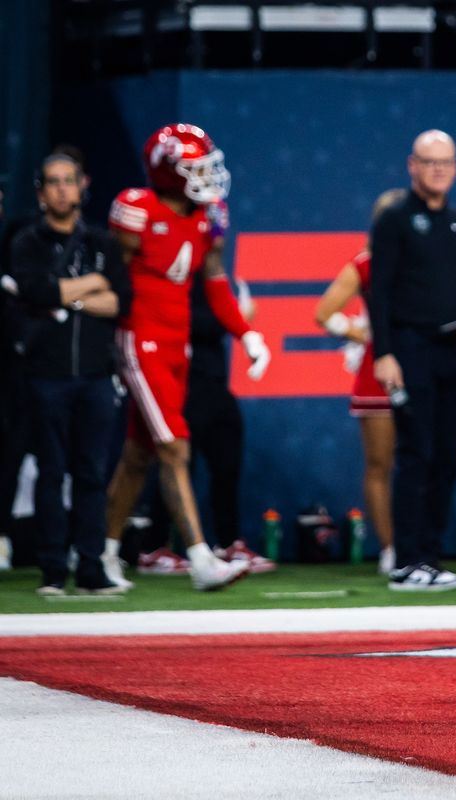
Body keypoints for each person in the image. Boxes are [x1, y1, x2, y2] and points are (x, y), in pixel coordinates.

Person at [104, 123, 271, 592]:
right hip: (141, 340)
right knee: (176, 448)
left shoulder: (208, 216)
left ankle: (103, 553)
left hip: (179, 344)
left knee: (138, 455)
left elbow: (215, 283)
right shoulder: (137, 209)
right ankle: (201, 559)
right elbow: (112, 275)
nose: (205, 177)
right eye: (194, 168)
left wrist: (247, 333)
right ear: (167, 171)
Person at [9, 153, 130, 594]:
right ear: (41, 192)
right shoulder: (27, 242)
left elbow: (121, 302)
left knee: (92, 473)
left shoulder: (103, 242)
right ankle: (53, 570)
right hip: (46, 375)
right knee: (51, 472)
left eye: (69, 181)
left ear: (83, 185)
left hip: (96, 375)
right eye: (54, 183)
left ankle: (92, 567)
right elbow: (36, 290)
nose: (62, 190)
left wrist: (67, 297)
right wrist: (89, 287)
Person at [368, 130, 456, 592]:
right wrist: (384, 352)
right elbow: (380, 291)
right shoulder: (393, 219)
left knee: (448, 456)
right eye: (429, 162)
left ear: (455, 167)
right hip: (409, 348)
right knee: (416, 454)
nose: (438, 170)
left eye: (445, 162)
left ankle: (429, 555)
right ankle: (406, 559)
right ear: (412, 166)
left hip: (454, 350)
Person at [138, 274, 275, 574]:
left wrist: (237, 320)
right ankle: (154, 546)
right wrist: (235, 318)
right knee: (176, 462)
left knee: (227, 461)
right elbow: (189, 321)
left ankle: (227, 543)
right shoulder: (178, 276)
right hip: (182, 380)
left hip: (214, 380)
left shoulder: (216, 280)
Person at [315, 188, 407, 576]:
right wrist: (367, 335)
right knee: (380, 463)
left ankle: (419, 545)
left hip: (425, 370)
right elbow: (325, 313)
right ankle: (390, 549)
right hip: (379, 373)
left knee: (423, 463)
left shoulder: (431, 259)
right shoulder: (366, 264)